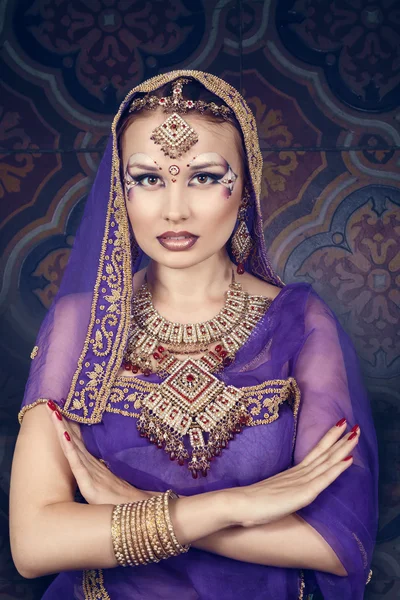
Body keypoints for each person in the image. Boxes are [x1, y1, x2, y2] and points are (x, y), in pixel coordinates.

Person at [9, 71, 378, 600]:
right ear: (121, 188)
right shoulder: (81, 322)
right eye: (149, 178)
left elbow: (335, 543)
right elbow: (34, 543)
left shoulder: (300, 320)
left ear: (245, 185)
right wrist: (234, 506)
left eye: (204, 177)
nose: (175, 209)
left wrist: (134, 508)